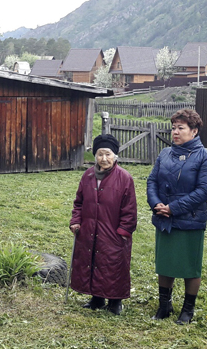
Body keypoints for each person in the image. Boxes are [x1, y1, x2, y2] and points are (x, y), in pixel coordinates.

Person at [147, 109, 207, 324]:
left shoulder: (206, 157)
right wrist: (156, 203)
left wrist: (174, 208)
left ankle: (187, 310)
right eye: (173, 127)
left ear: (194, 131)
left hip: (190, 219)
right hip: (164, 217)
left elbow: (203, 191)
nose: (175, 132)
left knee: (189, 266)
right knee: (165, 263)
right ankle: (164, 305)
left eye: (181, 128)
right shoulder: (164, 154)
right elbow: (152, 181)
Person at [69, 134, 137, 315]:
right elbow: (79, 203)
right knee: (92, 262)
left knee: (113, 264)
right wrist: (76, 221)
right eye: (100, 154)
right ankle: (96, 298)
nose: (104, 159)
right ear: (95, 156)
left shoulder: (124, 178)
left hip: (113, 231)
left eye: (108, 154)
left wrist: (123, 231)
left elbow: (130, 209)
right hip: (90, 230)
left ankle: (115, 302)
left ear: (115, 155)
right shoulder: (88, 176)